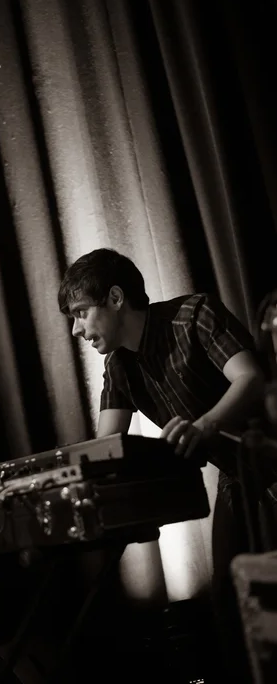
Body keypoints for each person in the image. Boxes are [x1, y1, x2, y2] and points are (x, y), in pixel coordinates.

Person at [58, 248, 268, 683]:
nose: (76, 329)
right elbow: (105, 448)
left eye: (80, 313)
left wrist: (204, 425)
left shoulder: (194, 315)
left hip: (270, 453)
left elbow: (250, 378)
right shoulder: (118, 366)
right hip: (239, 476)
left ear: (116, 298)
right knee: (230, 603)